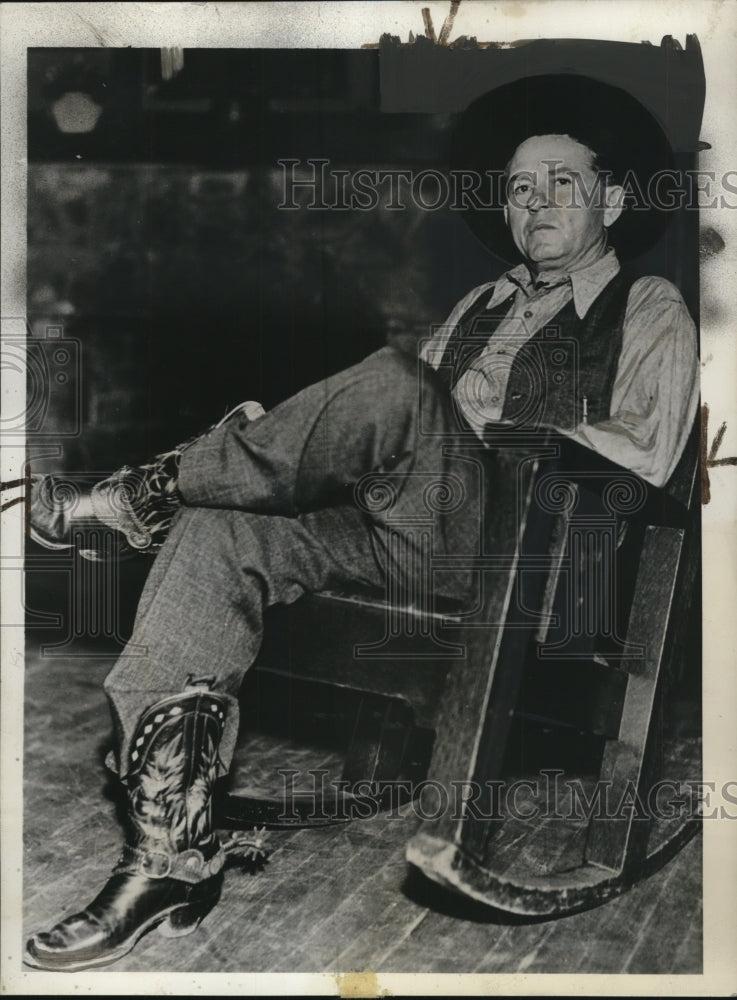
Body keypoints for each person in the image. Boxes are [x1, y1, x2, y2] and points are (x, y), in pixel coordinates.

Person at [24, 77, 699, 971]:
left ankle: (149, 489)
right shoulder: (479, 307)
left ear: (610, 202)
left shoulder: (648, 307)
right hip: (414, 541)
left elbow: (649, 456)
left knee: (393, 380)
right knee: (222, 526)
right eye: (518, 187)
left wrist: (486, 429)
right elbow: (395, 436)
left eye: (560, 183)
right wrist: (304, 440)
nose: (534, 203)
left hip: (546, 565)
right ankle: (166, 857)